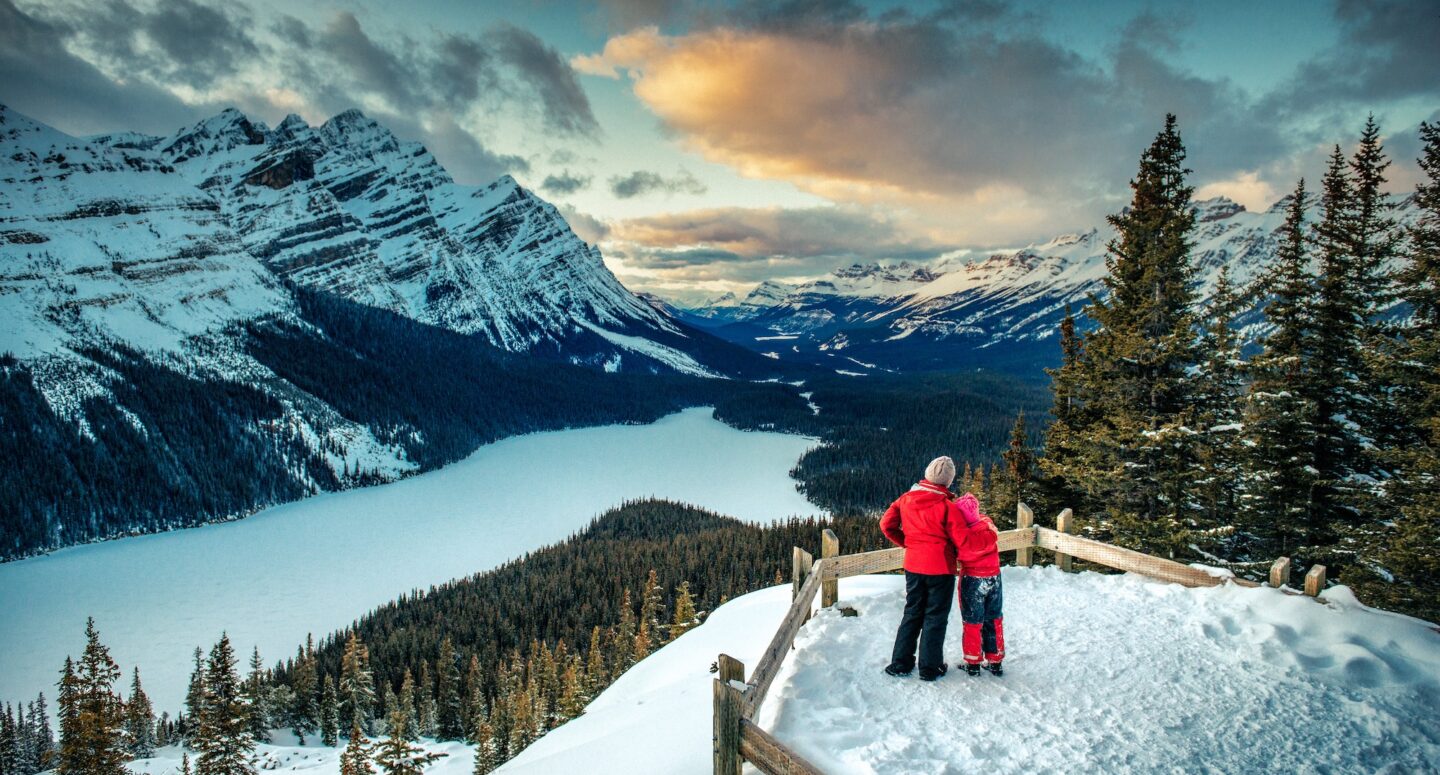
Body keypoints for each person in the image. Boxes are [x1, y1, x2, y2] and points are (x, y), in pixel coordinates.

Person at [880, 456, 965, 681]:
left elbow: (886, 525)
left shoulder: (906, 499)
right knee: (935, 617)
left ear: (927, 475)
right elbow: (961, 540)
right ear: (948, 482)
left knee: (912, 613)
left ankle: (900, 664)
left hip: (914, 566)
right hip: (941, 569)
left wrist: (908, 543)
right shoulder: (948, 506)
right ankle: (930, 668)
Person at [954, 492, 1005, 676]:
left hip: (973, 580)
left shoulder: (963, 538)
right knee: (993, 618)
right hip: (994, 578)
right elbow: (984, 520)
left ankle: (973, 662)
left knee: (972, 621)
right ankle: (995, 660)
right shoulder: (988, 528)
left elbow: (957, 553)